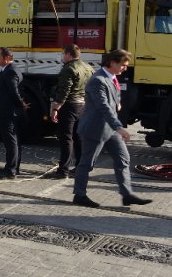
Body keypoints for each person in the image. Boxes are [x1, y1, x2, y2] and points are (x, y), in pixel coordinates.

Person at [72, 49, 152, 208]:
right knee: (87, 164)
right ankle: (79, 195)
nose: (125, 68)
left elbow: (113, 99)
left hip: (110, 129)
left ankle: (127, 194)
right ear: (113, 63)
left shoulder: (112, 77)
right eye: (123, 65)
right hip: (94, 128)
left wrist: (118, 103)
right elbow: (104, 107)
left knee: (123, 159)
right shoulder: (97, 80)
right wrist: (119, 127)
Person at [45, 44, 94, 179]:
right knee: (78, 137)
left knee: (66, 137)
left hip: (69, 106)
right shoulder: (88, 67)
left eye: (63, 54)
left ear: (68, 54)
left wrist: (56, 107)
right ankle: (80, 166)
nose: (62, 57)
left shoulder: (68, 68)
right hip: (82, 105)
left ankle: (63, 170)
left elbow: (65, 89)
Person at [0, 47, 29, 180]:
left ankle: (11, 170)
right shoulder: (9, 70)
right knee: (13, 140)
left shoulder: (11, 71)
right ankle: (13, 166)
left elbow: (14, 91)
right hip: (9, 110)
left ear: (7, 58)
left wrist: (21, 104)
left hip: (8, 112)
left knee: (11, 141)